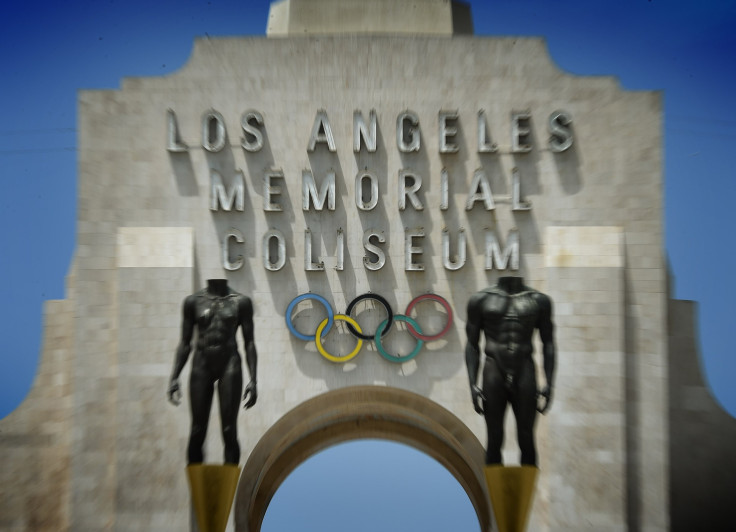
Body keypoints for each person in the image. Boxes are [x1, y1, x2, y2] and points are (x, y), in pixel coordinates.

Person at [465, 276, 555, 466]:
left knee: (526, 437)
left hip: (524, 368)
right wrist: (472, 383)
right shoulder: (480, 300)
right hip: (493, 368)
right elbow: (472, 345)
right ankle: (496, 494)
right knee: (494, 437)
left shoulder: (539, 301)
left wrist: (549, 382)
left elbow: (548, 343)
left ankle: (525, 494)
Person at [167, 279, 258, 464]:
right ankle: (198, 490)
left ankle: (228, 490)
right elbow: (185, 343)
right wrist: (174, 377)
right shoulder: (193, 302)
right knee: (197, 430)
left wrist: (253, 380)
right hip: (202, 364)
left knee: (229, 430)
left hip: (229, 363)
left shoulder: (242, 302)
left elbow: (249, 342)